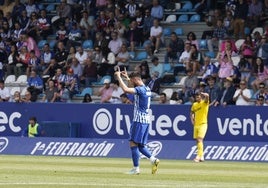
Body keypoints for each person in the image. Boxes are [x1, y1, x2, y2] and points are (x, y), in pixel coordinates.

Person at [114, 69, 160, 175]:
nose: (131, 83)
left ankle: (136, 168)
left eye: (132, 81)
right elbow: (133, 83)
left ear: (136, 80)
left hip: (138, 120)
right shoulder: (147, 88)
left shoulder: (140, 90)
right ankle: (153, 160)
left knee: (133, 143)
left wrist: (119, 77)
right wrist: (127, 77)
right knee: (141, 146)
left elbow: (125, 89)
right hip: (146, 120)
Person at [190, 91, 209, 162]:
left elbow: (207, 97)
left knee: (199, 139)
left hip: (203, 124)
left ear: (201, 97)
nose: (197, 98)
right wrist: (192, 119)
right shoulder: (194, 104)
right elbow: (192, 112)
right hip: (196, 125)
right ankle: (202, 156)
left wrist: (206, 95)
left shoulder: (204, 103)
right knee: (198, 141)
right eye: (196, 97)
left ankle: (198, 156)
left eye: (198, 96)